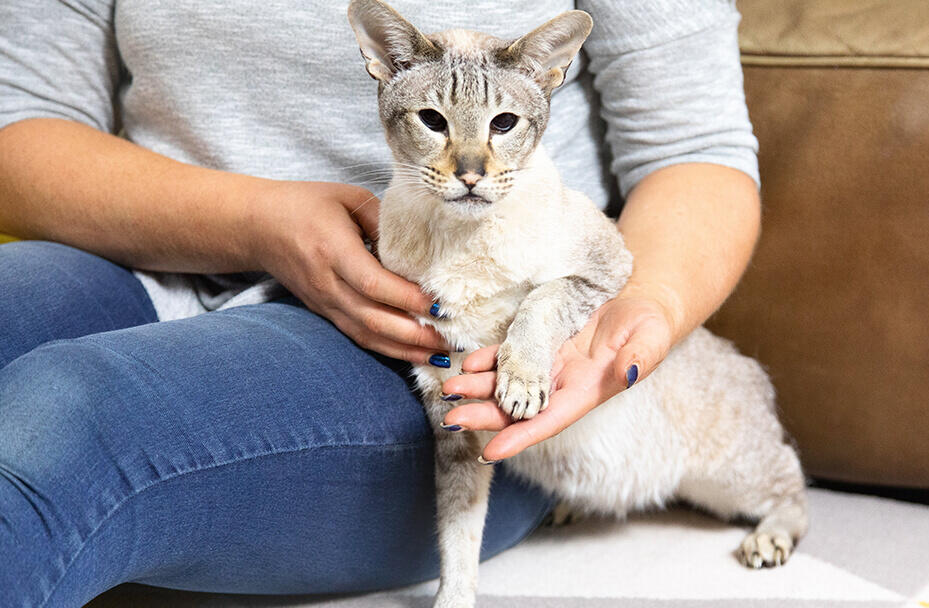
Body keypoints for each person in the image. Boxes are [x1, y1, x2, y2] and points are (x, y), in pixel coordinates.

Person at [0, 1, 762, 606]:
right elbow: (20, 116)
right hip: (141, 248)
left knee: (64, 416)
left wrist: (625, 316)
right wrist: (256, 222)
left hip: (436, 332)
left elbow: (695, 144)